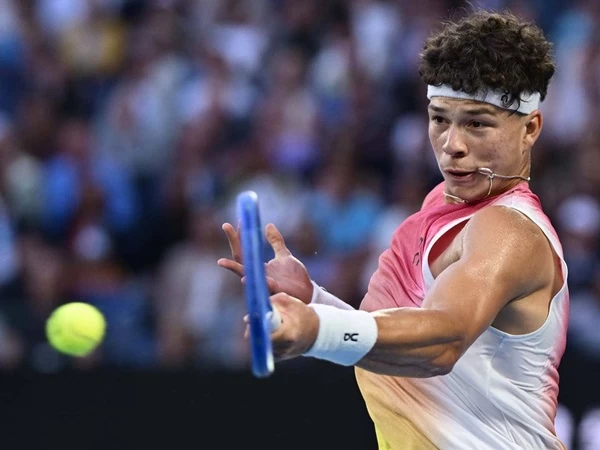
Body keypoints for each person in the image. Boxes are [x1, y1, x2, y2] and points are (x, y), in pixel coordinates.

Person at [218, 10, 568, 450]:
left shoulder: (509, 231)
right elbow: (402, 343)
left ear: (529, 128)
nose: (452, 145)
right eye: (440, 119)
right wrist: (314, 300)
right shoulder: (440, 208)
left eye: (477, 123)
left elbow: (442, 340)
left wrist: (316, 328)